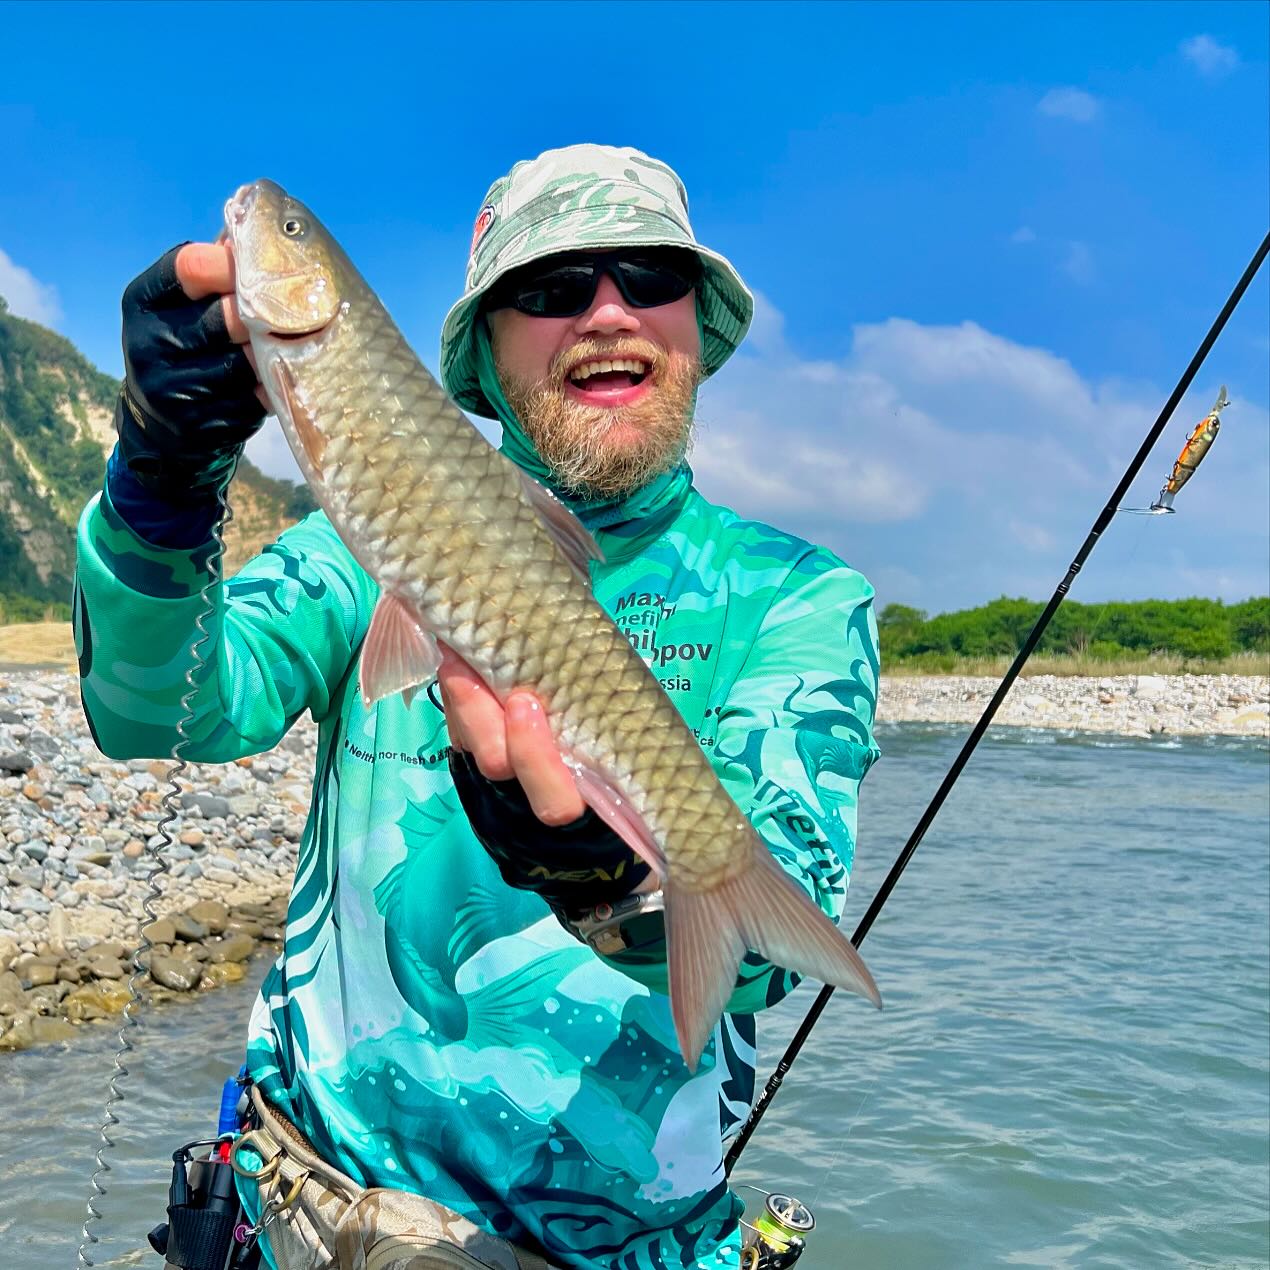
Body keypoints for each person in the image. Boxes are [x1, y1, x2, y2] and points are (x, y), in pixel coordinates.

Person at [74, 144, 882, 1269]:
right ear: (483, 359)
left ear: (698, 323)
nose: (606, 312)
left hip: (613, 1246)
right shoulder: (349, 560)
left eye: (648, 276)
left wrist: (616, 885)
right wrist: (158, 489)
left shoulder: (801, 598)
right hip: (296, 1205)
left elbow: (765, 961)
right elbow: (162, 711)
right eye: (550, 291)